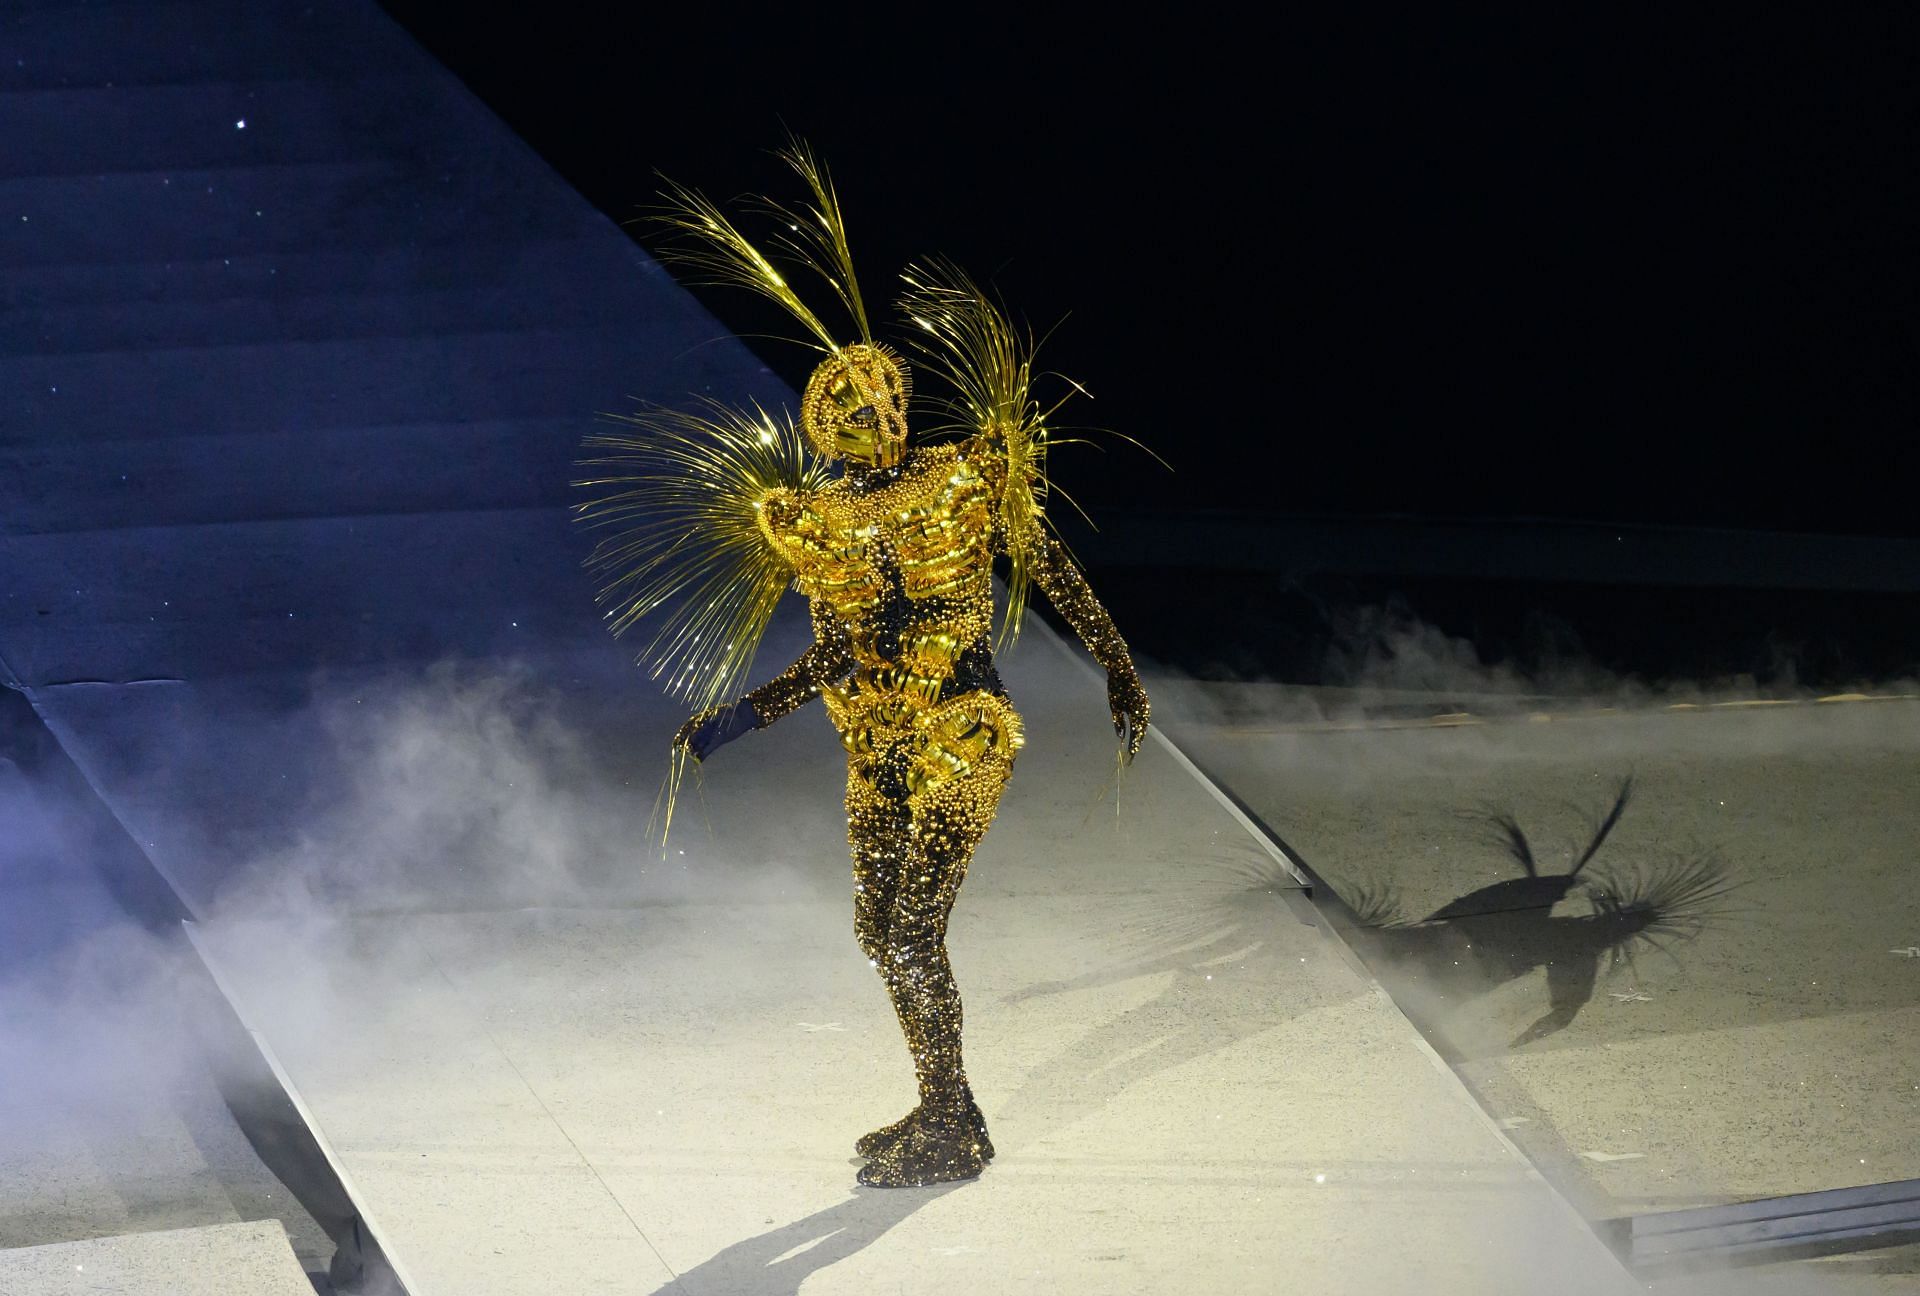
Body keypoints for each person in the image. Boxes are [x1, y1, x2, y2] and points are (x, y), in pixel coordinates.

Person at [575, 144, 1149, 1187]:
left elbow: (1047, 563)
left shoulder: (962, 477)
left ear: (898, 406)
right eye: (852, 413)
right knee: (879, 927)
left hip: (962, 725)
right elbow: (832, 655)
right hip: (874, 745)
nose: (873, 423)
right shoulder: (819, 519)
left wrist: (1115, 662)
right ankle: (949, 1111)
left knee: (914, 927)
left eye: (879, 406)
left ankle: (951, 1126)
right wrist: (732, 723)